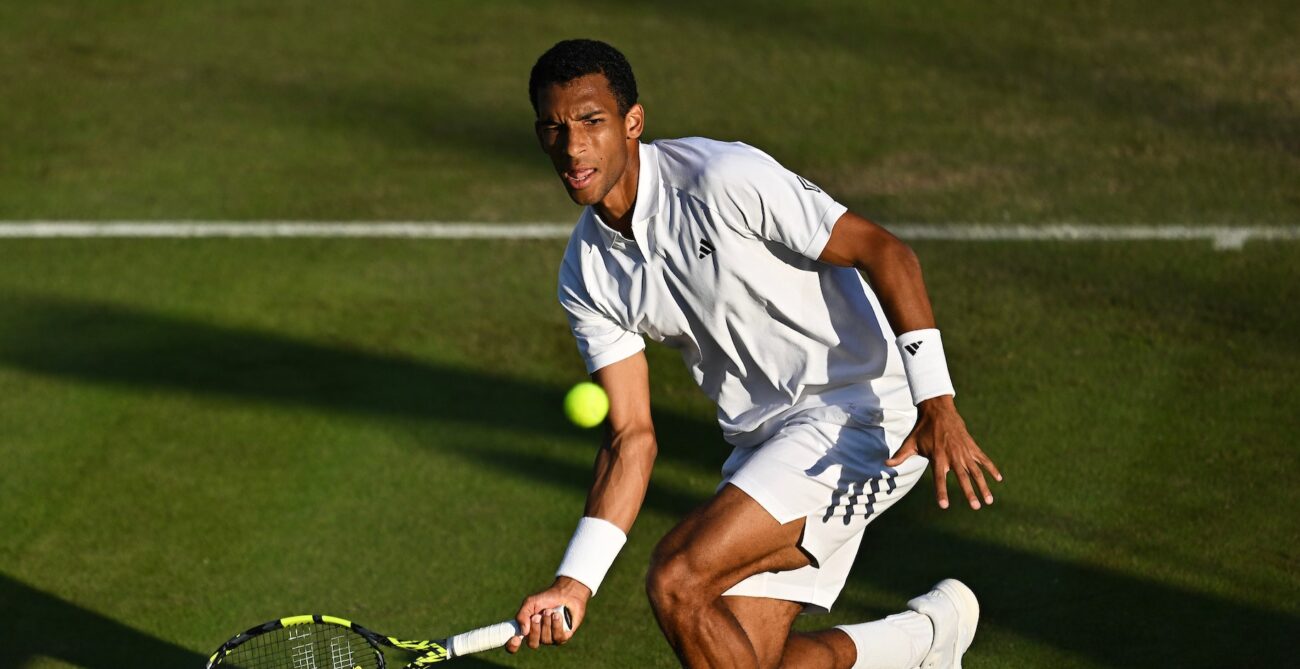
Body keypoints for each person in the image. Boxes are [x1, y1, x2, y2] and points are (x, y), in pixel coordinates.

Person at [505, 38, 1003, 669]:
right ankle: (925, 638)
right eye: (554, 128)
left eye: (591, 122)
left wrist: (938, 402)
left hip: (865, 412)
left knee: (677, 579)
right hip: (766, 441)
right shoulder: (587, 274)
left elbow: (887, 253)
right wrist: (576, 580)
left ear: (634, 123)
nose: (573, 148)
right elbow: (631, 437)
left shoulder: (722, 179)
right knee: (739, 655)